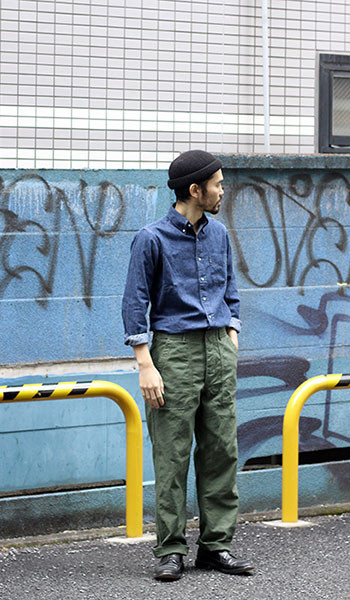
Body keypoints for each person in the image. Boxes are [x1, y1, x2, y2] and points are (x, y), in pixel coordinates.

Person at [122, 150, 254, 581]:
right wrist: (145, 364)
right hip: (174, 352)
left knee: (221, 451)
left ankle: (216, 546)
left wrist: (231, 333)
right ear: (195, 190)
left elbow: (230, 290)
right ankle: (170, 550)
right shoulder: (151, 238)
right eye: (218, 184)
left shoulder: (219, 235)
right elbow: (134, 302)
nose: (223, 191)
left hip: (218, 348)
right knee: (172, 455)